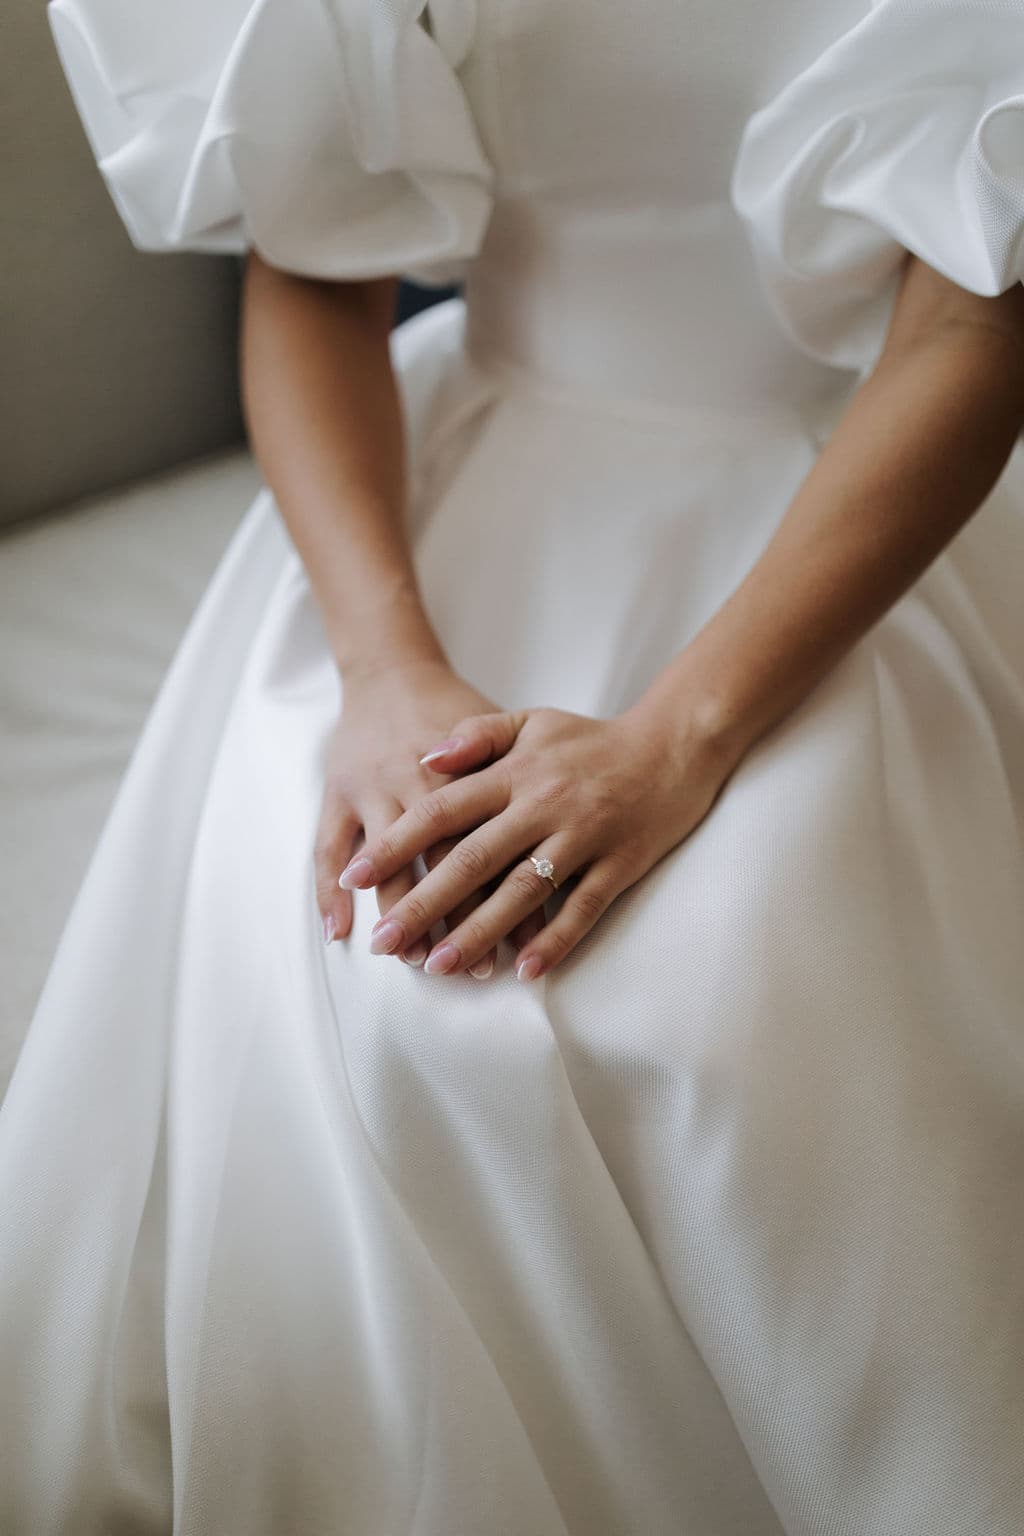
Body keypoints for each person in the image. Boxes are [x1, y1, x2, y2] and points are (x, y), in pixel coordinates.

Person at [2, 0, 1022, 1530]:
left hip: (836, 513)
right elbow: (315, 270)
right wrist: (383, 668)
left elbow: (970, 330)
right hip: (428, 502)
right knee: (375, 980)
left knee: (725, 1001)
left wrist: (676, 743)